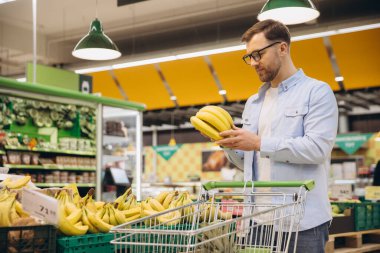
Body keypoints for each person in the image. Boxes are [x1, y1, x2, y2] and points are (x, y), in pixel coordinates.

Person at [215, 19, 338, 252]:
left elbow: (317, 149)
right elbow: (248, 163)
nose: (253, 63)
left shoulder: (316, 92)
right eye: (248, 57)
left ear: (282, 48)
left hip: (302, 222)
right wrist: (228, 145)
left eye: (258, 54)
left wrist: (259, 143)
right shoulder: (253, 102)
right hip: (257, 221)